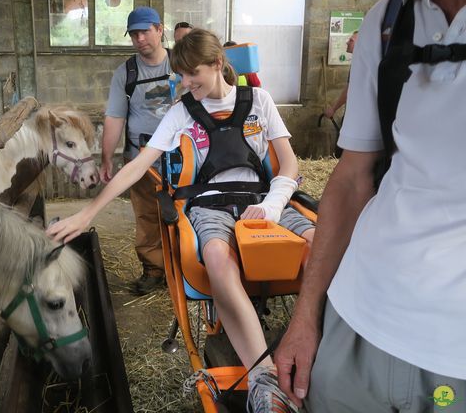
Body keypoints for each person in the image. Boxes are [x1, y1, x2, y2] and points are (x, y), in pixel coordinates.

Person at [49, 28, 315, 412]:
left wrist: (274, 205)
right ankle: (264, 376)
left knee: (320, 247)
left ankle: (314, 346)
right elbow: (138, 165)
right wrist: (89, 212)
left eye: (194, 75)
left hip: (264, 201)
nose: (186, 84)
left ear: (217, 64)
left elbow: (288, 162)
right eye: (182, 75)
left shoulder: (259, 100)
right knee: (218, 258)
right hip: (210, 206)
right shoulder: (181, 112)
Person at [275, 0, 466, 412]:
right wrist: (306, 316)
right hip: (354, 321)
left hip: (452, 357)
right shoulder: (389, 21)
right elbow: (352, 177)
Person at [100, 6, 173, 295]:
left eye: (145, 31)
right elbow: (115, 117)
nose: (140, 38)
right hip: (142, 156)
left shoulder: (181, 64)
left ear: (160, 29)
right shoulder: (126, 72)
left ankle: (185, 266)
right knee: (146, 215)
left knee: (184, 211)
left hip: (182, 156)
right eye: (134, 33)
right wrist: (108, 157)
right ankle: (155, 270)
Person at [323, 31, 357, 119]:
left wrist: (333, 109)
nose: (347, 42)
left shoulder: (360, 65)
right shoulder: (358, 61)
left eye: (351, 40)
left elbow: (350, 89)